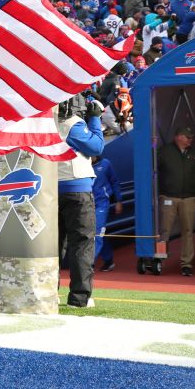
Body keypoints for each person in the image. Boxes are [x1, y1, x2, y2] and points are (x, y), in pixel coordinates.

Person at [57, 94, 105, 307]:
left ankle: (47, 292)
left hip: (49, 190)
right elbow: (96, 147)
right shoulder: (72, 124)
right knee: (82, 243)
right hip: (76, 188)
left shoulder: (44, 124)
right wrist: (95, 119)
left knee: (52, 245)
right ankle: (79, 297)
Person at [156, 125, 195, 276]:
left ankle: (187, 264)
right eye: (188, 137)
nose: (190, 140)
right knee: (164, 231)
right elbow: (152, 171)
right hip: (169, 196)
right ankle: (160, 259)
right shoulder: (164, 152)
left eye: (191, 137)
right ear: (178, 136)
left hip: (189, 198)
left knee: (188, 231)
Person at [91, 154, 122, 272]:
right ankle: (108, 260)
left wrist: (118, 200)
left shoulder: (105, 164)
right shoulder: (81, 163)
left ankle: (88, 264)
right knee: (98, 233)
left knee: (97, 231)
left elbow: (114, 181)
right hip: (87, 203)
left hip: (102, 203)